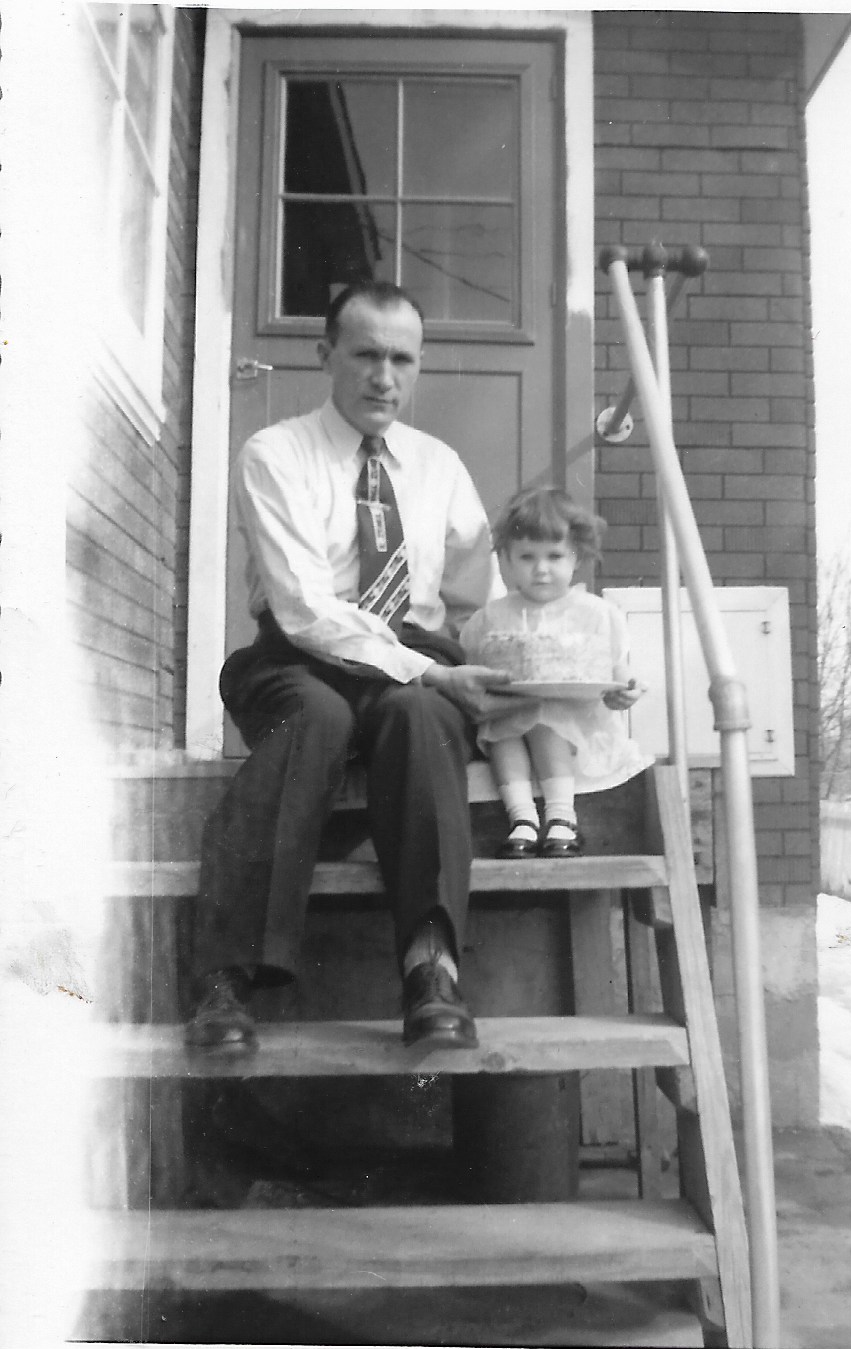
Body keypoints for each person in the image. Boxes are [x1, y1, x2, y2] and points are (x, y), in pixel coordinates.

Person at [186, 279, 532, 1056]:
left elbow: (483, 589)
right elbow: (304, 608)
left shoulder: (438, 464)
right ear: (325, 355)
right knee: (319, 715)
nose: (385, 377)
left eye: (402, 359)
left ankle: (431, 971)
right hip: (298, 655)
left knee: (416, 712)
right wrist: (422, 667)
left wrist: (538, 655)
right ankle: (224, 977)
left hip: (415, 655)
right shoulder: (275, 453)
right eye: (366, 354)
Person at [460, 487, 650, 860]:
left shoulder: (594, 613)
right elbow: (474, 663)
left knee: (544, 721)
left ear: (575, 557)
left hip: (576, 722)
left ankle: (562, 816)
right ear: (508, 561)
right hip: (510, 715)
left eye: (554, 556)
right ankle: (523, 819)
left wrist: (624, 689)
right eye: (527, 557)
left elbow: (615, 669)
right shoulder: (492, 617)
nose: (541, 568)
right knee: (503, 732)